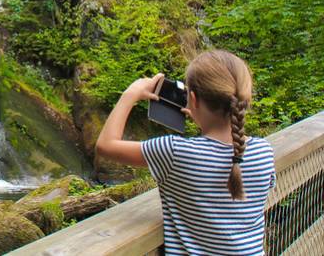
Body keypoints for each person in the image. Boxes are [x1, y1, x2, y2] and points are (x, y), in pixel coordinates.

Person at [95, 50, 276, 255]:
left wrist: (131, 94)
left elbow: (106, 145)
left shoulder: (175, 152)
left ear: (192, 99)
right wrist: (202, 119)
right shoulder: (264, 152)